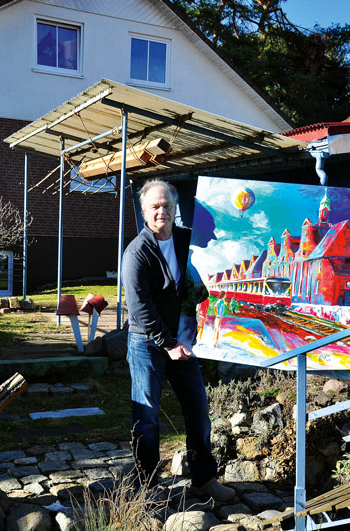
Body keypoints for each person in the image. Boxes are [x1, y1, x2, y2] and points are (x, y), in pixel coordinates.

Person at [122, 178, 235, 501]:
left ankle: (203, 479)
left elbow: (216, 254)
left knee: (198, 408)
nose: (162, 212)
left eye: (167, 206)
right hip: (148, 344)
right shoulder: (137, 253)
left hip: (182, 343)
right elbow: (141, 310)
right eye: (155, 207)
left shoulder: (186, 240)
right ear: (144, 212)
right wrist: (169, 344)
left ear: (175, 209)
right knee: (146, 416)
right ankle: (146, 485)